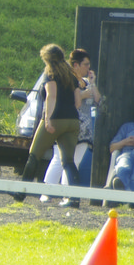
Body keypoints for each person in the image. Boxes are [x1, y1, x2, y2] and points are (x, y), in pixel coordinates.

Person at [19, 44, 83, 208]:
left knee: (34, 155)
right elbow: (78, 102)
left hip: (56, 119)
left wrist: (47, 119)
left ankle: (21, 192)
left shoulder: (51, 74)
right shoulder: (71, 75)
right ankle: (75, 198)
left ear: (47, 59)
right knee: (68, 161)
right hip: (73, 120)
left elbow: (51, 97)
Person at [42, 48, 100, 192]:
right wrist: (83, 94)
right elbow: (70, 101)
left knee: (74, 162)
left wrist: (92, 83)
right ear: (76, 65)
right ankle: (47, 192)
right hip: (68, 123)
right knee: (59, 159)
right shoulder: (67, 80)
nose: (88, 68)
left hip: (84, 129)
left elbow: (98, 100)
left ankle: (66, 193)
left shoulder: (86, 83)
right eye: (85, 64)